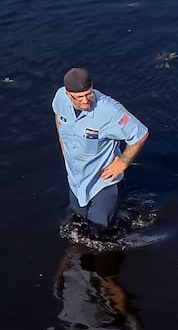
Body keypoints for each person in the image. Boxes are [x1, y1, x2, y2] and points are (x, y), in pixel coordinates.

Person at [52, 67, 149, 234]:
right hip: (76, 180)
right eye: (78, 97)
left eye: (88, 94)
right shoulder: (60, 97)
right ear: (68, 94)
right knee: (80, 221)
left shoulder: (110, 111)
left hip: (102, 182)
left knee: (98, 232)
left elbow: (140, 134)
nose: (85, 101)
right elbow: (58, 116)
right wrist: (62, 141)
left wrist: (123, 162)